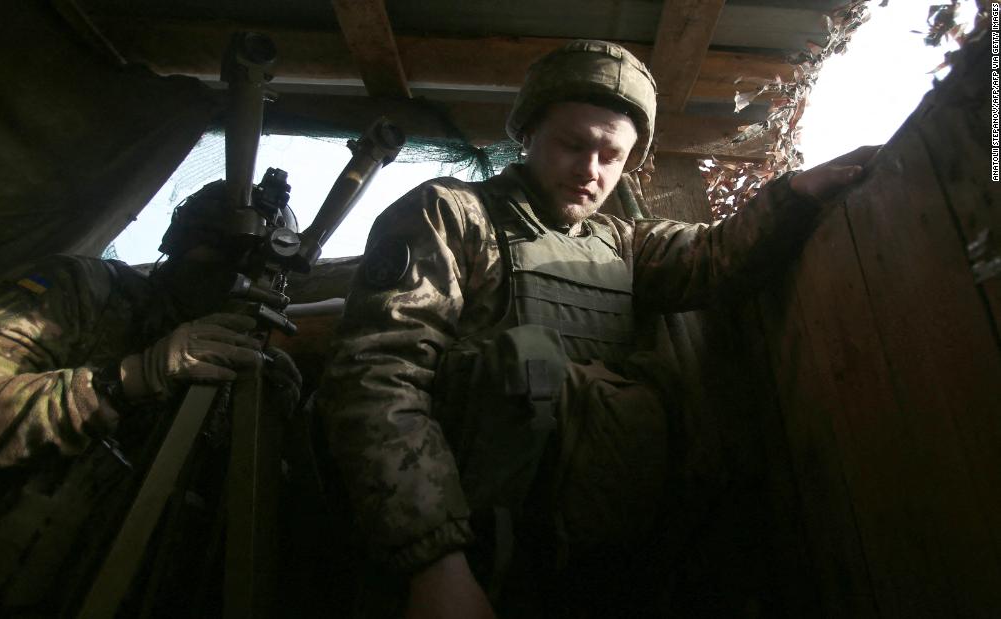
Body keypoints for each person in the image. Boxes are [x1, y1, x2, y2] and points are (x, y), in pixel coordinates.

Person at [316, 39, 878, 618]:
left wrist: (795, 195)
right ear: (528, 133)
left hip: (604, 572)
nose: (590, 170)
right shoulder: (453, 216)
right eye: (572, 144)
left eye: (611, 156)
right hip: (474, 563)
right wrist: (434, 561)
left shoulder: (625, 244)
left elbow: (716, 256)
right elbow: (378, 375)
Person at [0, 180, 302, 616]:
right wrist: (120, 383)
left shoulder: (261, 375)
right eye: (219, 249)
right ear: (179, 239)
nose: (232, 274)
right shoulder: (82, 292)